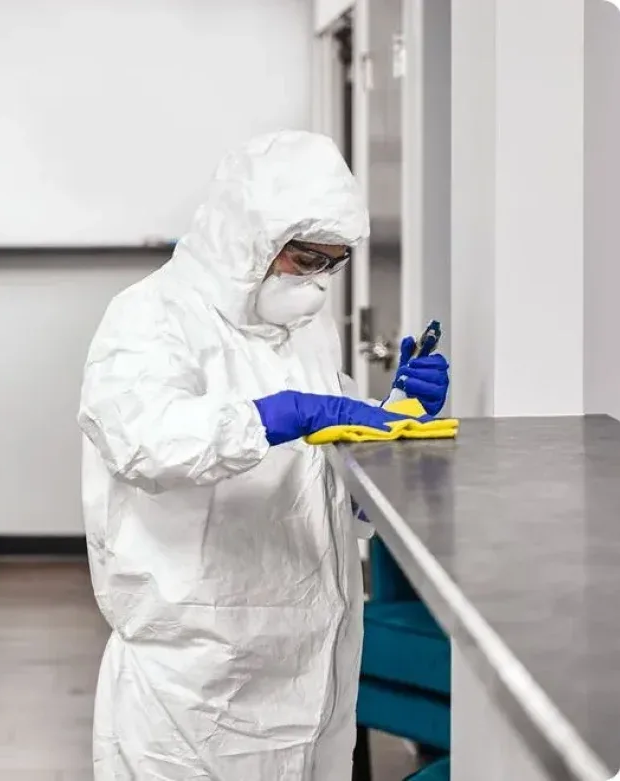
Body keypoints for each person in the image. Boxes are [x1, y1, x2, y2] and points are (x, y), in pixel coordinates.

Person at [77, 130, 450, 780]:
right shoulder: (150, 316)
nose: (318, 283)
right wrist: (274, 416)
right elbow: (143, 441)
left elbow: (325, 479)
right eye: (306, 259)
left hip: (315, 671)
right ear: (248, 235)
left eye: (333, 264)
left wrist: (395, 417)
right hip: (199, 683)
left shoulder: (307, 331)